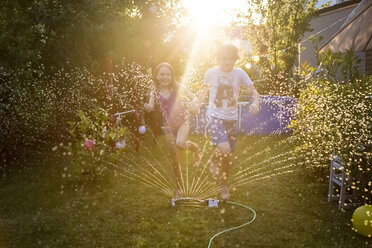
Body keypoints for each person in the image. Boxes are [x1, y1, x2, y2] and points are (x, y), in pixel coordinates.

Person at [189, 44, 260, 200]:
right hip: (214, 116)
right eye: (223, 59)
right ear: (218, 59)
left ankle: (223, 184)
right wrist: (196, 103)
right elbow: (202, 93)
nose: (227, 62)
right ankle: (214, 162)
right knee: (225, 148)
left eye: (230, 58)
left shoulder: (240, 73)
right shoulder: (211, 73)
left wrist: (255, 102)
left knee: (227, 157)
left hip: (231, 119)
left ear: (236, 59)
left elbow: (253, 92)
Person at [144, 62, 200, 198]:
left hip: (182, 123)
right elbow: (151, 105)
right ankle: (179, 189)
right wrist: (149, 107)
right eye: (162, 74)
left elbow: (194, 97)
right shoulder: (155, 91)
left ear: (171, 75)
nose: (165, 77)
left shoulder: (178, 87)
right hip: (168, 128)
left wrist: (194, 104)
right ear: (157, 76)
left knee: (180, 143)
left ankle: (195, 148)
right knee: (175, 159)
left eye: (167, 74)